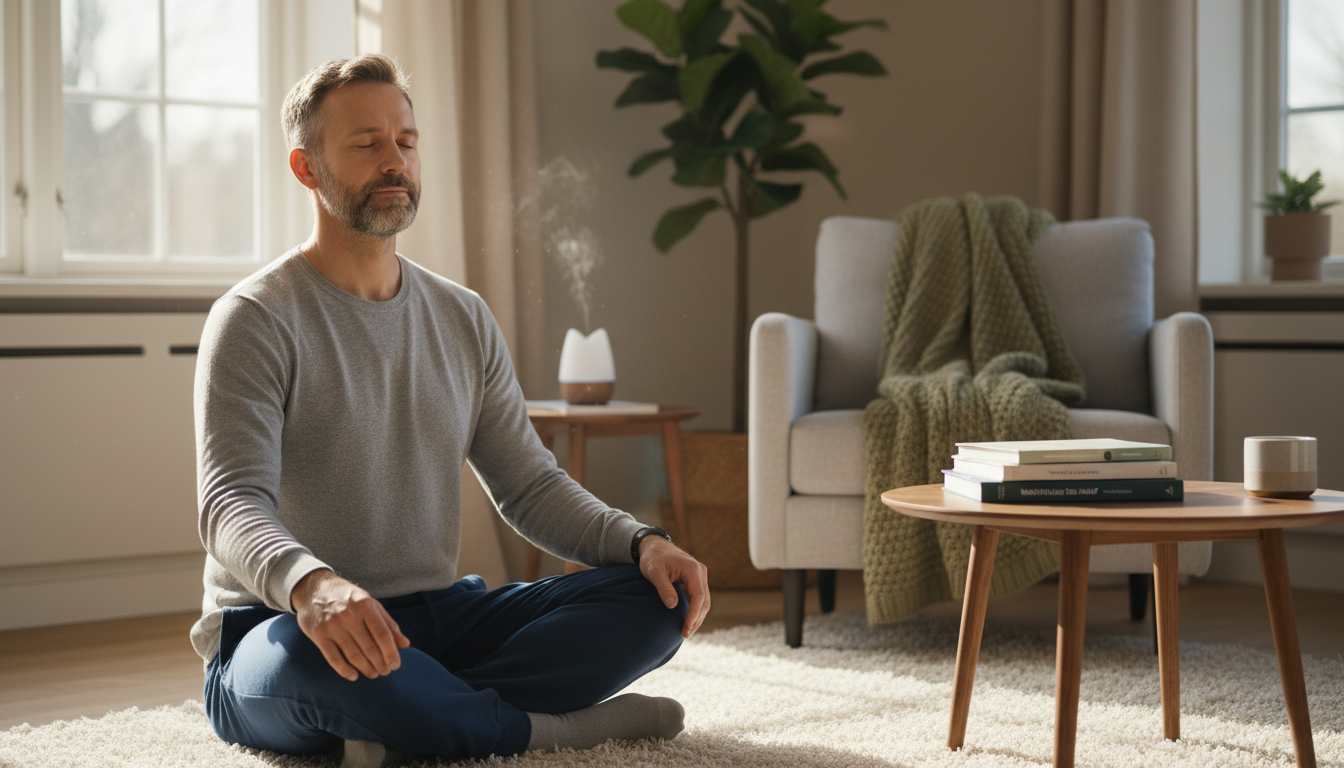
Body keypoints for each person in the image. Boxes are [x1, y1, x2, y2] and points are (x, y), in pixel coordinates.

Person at [189, 53, 711, 768]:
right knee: (300, 667)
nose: (394, 160)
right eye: (367, 143)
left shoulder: (460, 316)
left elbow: (528, 485)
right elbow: (230, 504)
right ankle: (546, 729)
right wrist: (313, 585)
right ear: (307, 169)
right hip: (281, 623)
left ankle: (414, 716)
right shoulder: (254, 317)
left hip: (436, 617)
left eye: (405, 140)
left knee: (658, 601)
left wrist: (641, 542)